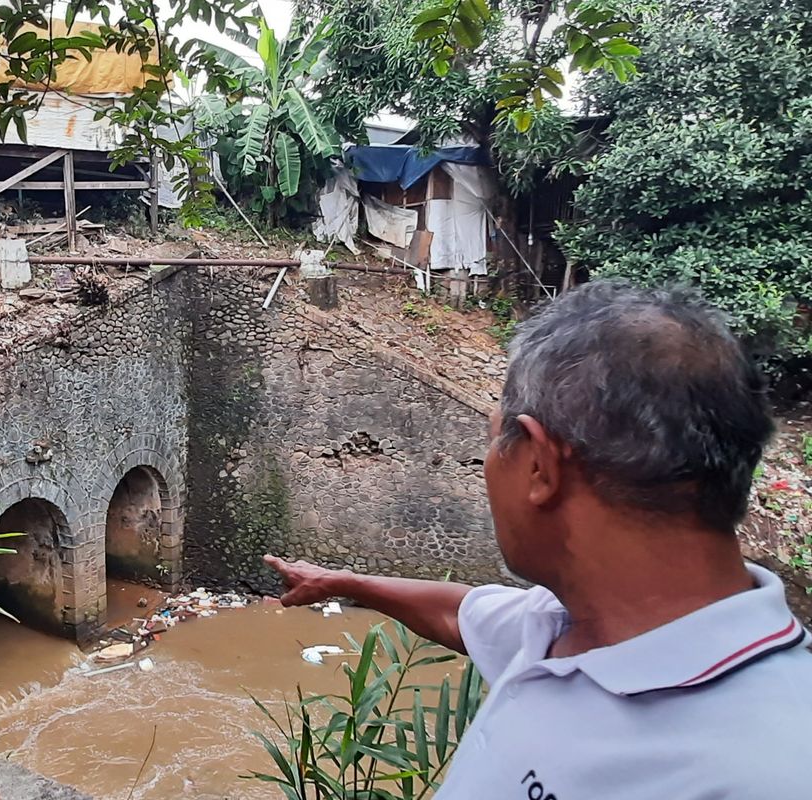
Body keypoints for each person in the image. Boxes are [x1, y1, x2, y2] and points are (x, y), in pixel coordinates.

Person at [264, 281, 812, 798]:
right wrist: (345, 582)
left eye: (491, 442)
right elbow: (463, 616)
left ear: (538, 466)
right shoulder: (565, 625)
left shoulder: (772, 767)